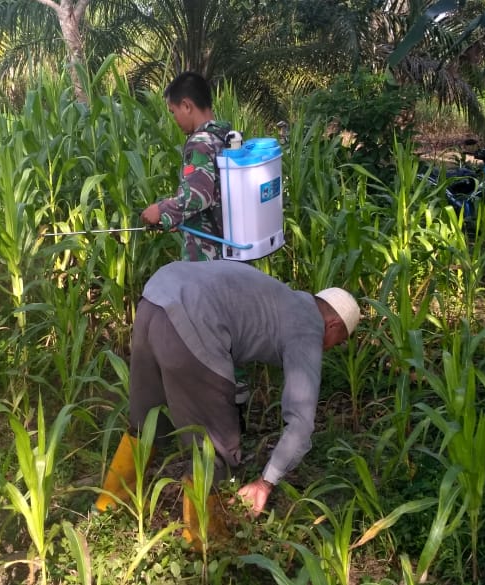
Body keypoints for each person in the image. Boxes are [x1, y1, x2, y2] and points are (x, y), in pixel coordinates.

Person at [94, 261, 361, 547]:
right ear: (332, 325)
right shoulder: (309, 327)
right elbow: (301, 423)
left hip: (156, 297)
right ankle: (204, 541)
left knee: (146, 421)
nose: (331, 347)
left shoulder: (282, 298)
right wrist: (265, 483)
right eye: (339, 341)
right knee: (215, 445)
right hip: (194, 319)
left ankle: (108, 506)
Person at [140, 72, 232, 261]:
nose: (174, 118)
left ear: (186, 106)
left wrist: (162, 210)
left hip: (209, 259)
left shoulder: (199, 143)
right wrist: (179, 217)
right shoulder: (225, 137)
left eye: (173, 111)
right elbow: (215, 194)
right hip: (231, 252)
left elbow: (199, 196)